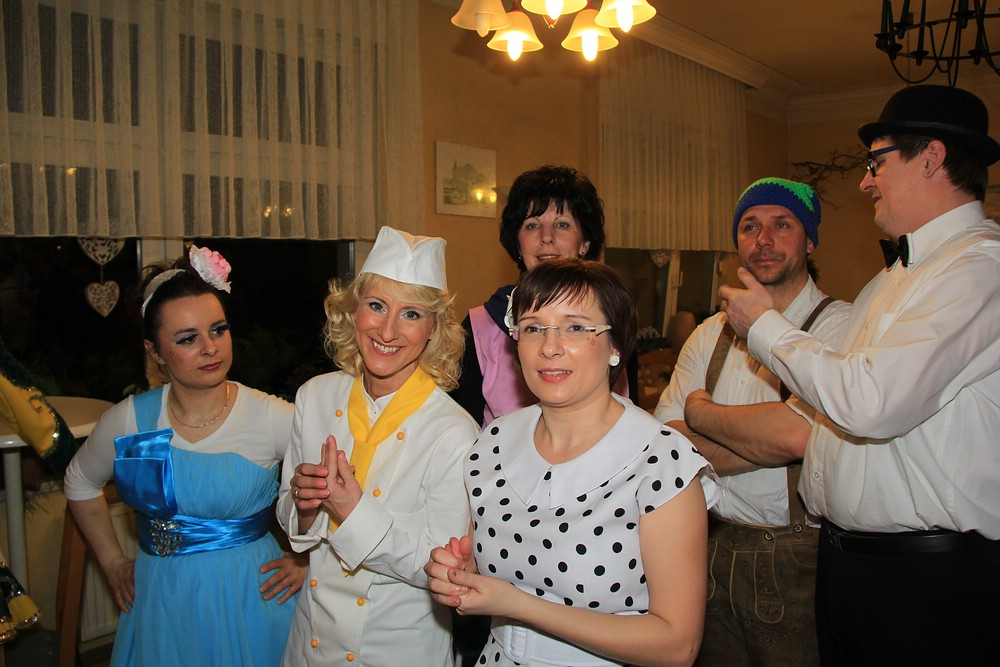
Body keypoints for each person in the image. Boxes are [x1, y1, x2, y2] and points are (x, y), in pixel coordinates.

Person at [719, 84, 1000, 666]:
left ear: (932, 158)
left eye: (877, 163)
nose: (865, 182)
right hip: (850, 565)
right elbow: (829, 403)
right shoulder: (890, 280)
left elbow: (870, 402)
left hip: (927, 579)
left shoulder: (978, 268)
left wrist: (766, 328)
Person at [427, 259, 720, 667]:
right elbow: (509, 561)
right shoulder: (493, 444)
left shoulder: (661, 462)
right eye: (533, 328)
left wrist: (519, 605)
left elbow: (677, 645)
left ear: (615, 346)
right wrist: (467, 571)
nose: (550, 347)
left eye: (576, 327)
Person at [64, 245, 305, 667]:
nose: (211, 348)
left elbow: (344, 480)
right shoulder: (129, 420)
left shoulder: (271, 417)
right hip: (162, 602)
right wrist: (113, 562)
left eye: (218, 330)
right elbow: (79, 481)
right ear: (155, 352)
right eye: (187, 338)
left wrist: (308, 559)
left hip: (250, 601)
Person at [654, 178, 851, 667]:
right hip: (706, 548)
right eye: (749, 227)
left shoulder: (842, 327)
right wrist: (767, 439)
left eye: (782, 225)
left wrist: (701, 414)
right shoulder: (711, 332)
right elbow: (667, 445)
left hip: (796, 557)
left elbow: (796, 435)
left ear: (810, 241)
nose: (763, 239)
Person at [278, 226, 480, 666]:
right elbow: (290, 518)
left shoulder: (453, 432)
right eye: (376, 306)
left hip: (398, 650)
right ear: (353, 311)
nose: (388, 330)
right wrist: (305, 506)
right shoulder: (314, 397)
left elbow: (444, 570)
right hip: (309, 641)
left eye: (411, 314)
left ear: (433, 329)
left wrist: (352, 513)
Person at [450, 164, 636, 428]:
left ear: (585, 243)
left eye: (562, 224)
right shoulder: (480, 326)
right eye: (532, 225)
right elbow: (462, 429)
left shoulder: (610, 317)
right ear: (518, 244)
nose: (546, 237)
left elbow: (630, 415)